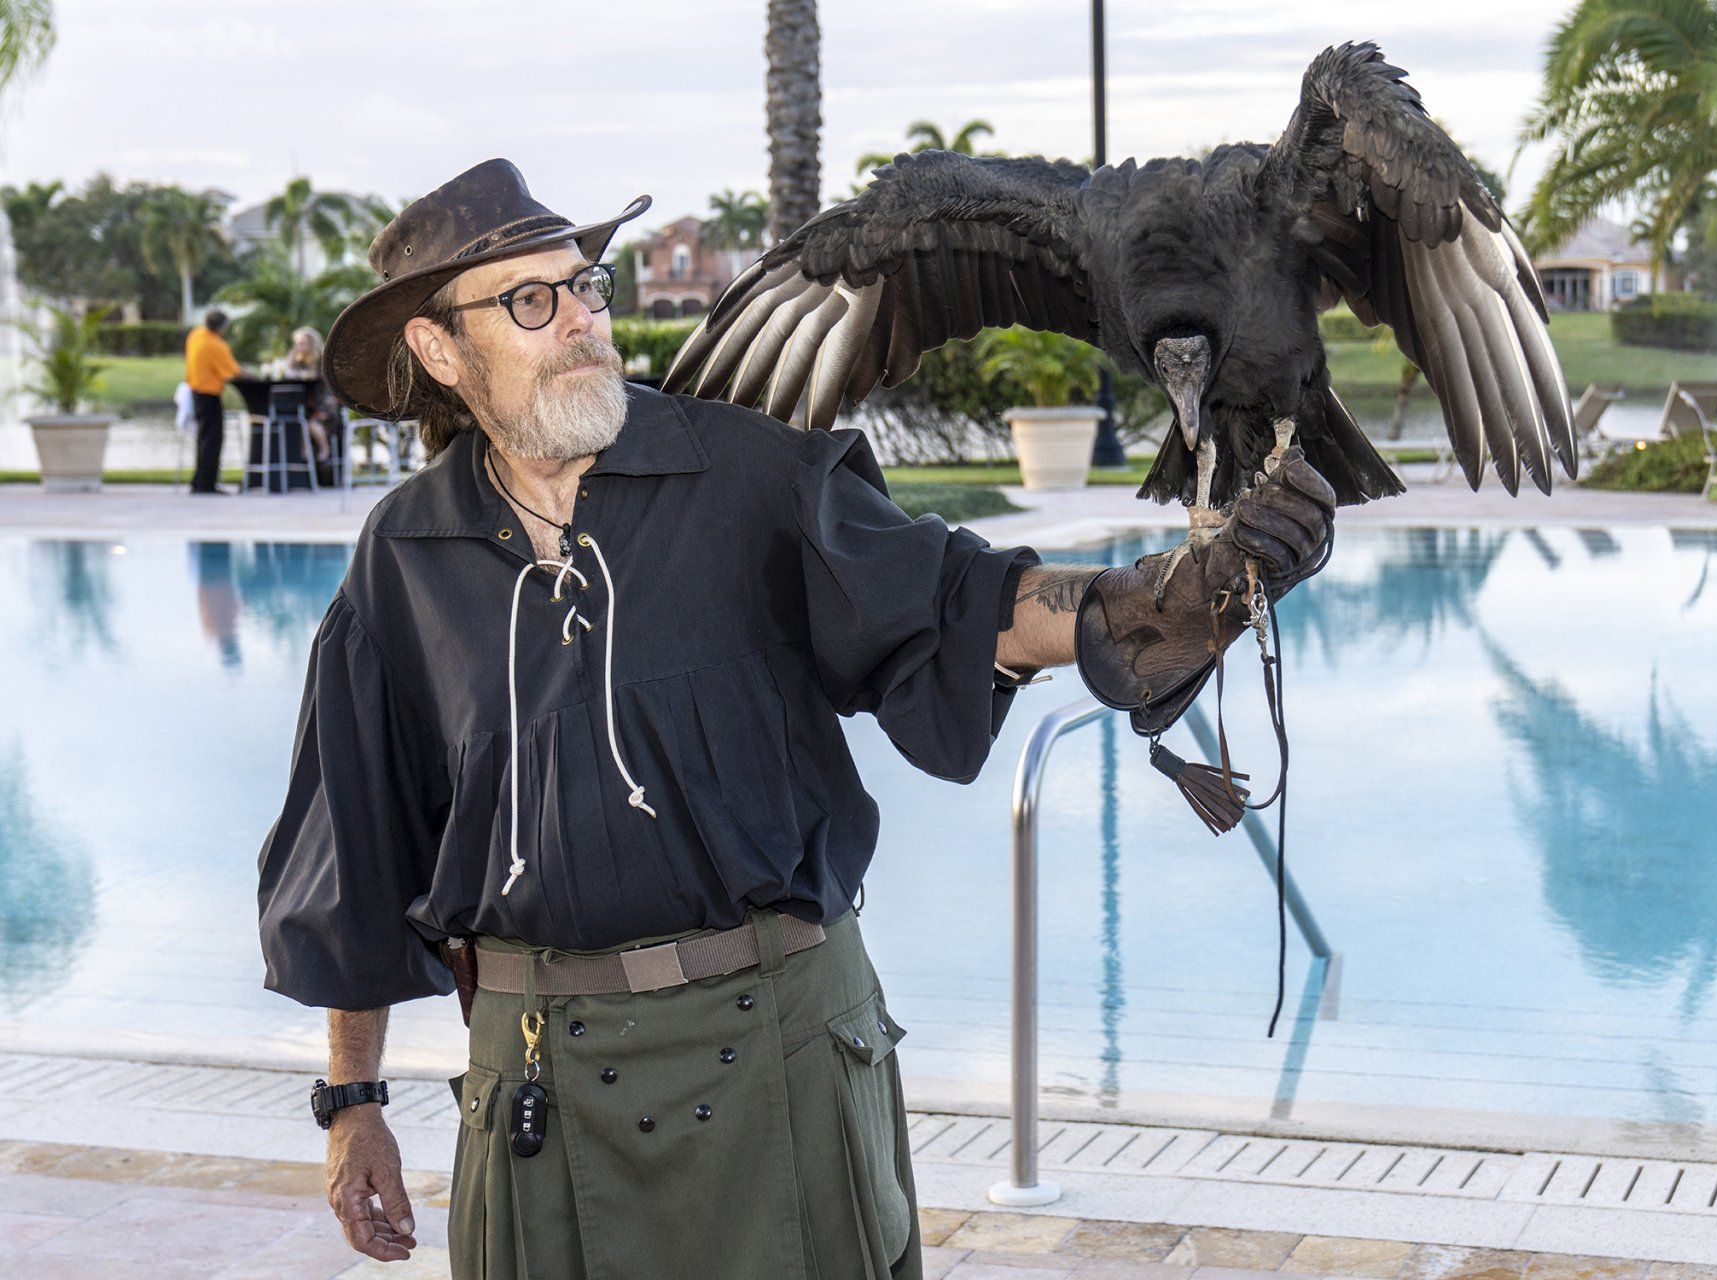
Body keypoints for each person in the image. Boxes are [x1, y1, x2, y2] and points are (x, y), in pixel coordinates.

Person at [255, 159, 1336, 1280]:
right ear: (440, 349)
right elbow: (356, 847)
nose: (582, 317)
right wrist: (352, 1101)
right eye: (533, 300)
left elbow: (954, 597)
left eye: (585, 284)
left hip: (774, 1050)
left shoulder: (744, 473)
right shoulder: (405, 557)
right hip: (536, 1093)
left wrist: (1158, 602)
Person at [183, 309, 245, 493]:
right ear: (221, 327)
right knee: (212, 439)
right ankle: (207, 484)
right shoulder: (215, 344)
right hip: (209, 394)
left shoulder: (196, 335)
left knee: (203, 437)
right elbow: (233, 371)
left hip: (195, 391)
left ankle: (198, 481)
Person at [283, 326, 336, 467]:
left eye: (302, 343)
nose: (298, 347)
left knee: (310, 422)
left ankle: (324, 449)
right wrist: (292, 357)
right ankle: (305, 454)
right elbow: (288, 374)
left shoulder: (322, 361)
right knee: (300, 421)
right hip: (307, 405)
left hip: (323, 405)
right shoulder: (300, 362)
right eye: (297, 344)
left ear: (311, 343)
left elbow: (321, 383)